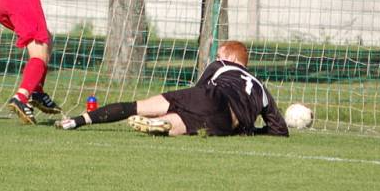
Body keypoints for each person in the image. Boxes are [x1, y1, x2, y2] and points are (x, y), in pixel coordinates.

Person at [57, 40, 289, 137]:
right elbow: (279, 130)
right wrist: (250, 129)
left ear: (229, 56)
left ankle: (76, 121)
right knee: (182, 124)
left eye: (219, 54)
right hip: (228, 123)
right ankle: (165, 124)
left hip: (212, 97)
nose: (216, 57)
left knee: (136, 106)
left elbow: (200, 92)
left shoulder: (221, 65)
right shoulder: (261, 89)